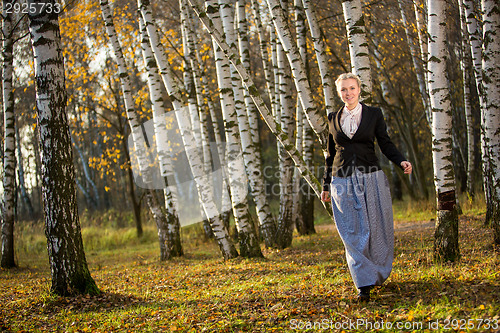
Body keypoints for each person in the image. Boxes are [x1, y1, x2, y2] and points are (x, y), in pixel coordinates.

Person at [321, 73, 412, 302]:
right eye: (343, 90)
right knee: (351, 233)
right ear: (339, 92)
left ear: (359, 90)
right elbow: (330, 155)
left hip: (370, 176)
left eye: (351, 88)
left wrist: (400, 160)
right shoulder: (332, 118)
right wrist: (325, 185)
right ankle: (363, 285)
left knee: (376, 228)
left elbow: (385, 142)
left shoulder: (373, 114)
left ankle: (376, 272)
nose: (348, 93)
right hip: (341, 180)